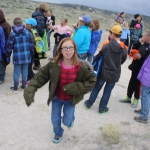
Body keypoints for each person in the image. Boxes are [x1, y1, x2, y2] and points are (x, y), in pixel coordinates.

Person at [23, 37, 96, 143]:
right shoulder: (53, 65)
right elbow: (41, 76)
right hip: (56, 98)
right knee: (55, 120)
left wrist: (77, 88)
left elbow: (91, 81)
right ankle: (58, 133)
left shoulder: (81, 66)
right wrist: (30, 89)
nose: (68, 50)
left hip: (71, 100)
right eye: (65, 48)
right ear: (60, 50)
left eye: (71, 48)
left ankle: (70, 120)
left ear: (75, 50)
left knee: (67, 121)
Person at [84, 25, 127, 114]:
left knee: (97, 88)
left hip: (104, 72)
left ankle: (88, 104)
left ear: (113, 34)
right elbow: (122, 60)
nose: (109, 35)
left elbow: (99, 56)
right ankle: (102, 108)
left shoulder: (107, 46)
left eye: (110, 33)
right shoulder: (124, 49)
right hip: (115, 73)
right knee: (108, 91)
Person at [120, 31, 150, 108]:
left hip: (142, 70)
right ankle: (128, 96)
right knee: (131, 82)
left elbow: (147, 62)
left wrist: (140, 58)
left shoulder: (148, 48)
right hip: (135, 67)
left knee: (138, 85)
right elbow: (134, 47)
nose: (142, 37)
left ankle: (136, 99)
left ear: (148, 37)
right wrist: (139, 41)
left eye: (144, 36)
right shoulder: (142, 44)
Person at [6, 17, 34, 92]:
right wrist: (32, 53)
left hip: (17, 57)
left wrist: (8, 55)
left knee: (16, 73)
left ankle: (15, 87)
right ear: (22, 23)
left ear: (14, 24)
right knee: (25, 72)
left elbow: (9, 46)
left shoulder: (13, 34)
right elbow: (32, 45)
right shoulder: (28, 33)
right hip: (26, 56)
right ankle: (24, 85)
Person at [32, 3, 50, 70]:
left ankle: (37, 64)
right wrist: (46, 29)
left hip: (34, 34)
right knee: (37, 49)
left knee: (35, 49)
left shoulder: (35, 14)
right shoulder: (40, 17)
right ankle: (37, 65)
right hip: (38, 35)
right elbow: (40, 28)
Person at [0, 9, 11, 84]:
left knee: (3, 63)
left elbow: (8, 38)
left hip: (4, 47)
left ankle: (1, 77)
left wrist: (6, 50)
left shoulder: (6, 25)